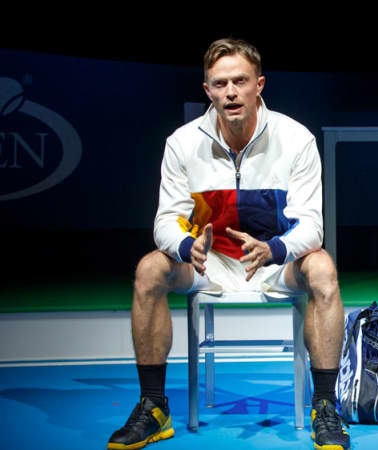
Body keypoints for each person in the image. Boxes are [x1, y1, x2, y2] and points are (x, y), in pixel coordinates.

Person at [107, 38, 349, 450]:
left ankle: (324, 406)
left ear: (259, 84)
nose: (231, 92)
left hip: (274, 263)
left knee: (323, 267)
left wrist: (274, 249)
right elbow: (165, 220)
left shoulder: (296, 139)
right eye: (220, 84)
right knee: (150, 268)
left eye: (240, 81)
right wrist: (186, 247)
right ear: (207, 90)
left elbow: (311, 226)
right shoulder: (182, 143)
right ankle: (153, 406)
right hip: (208, 263)